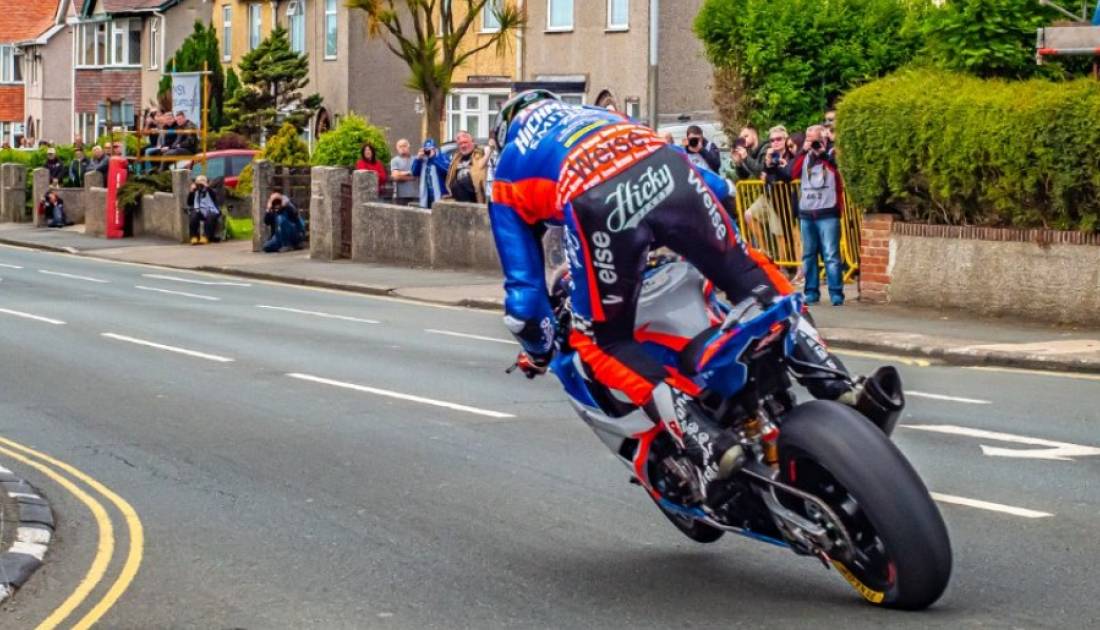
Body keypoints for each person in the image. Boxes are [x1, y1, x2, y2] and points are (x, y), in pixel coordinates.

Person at [489, 91, 862, 505]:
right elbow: (721, 189)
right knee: (747, 273)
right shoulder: (596, 115)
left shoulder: (507, 170)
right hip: (669, 169)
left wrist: (538, 352)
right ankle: (830, 374)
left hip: (598, 201)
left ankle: (701, 434)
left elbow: (524, 301)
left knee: (601, 341)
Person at [788, 125, 845, 306]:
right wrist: (803, 152)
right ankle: (811, 291)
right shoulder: (804, 157)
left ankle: (836, 293)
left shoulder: (831, 153)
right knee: (809, 255)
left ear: (824, 139)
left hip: (828, 211)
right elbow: (791, 173)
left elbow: (836, 170)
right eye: (808, 139)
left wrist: (822, 154)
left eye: (815, 140)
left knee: (831, 254)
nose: (812, 143)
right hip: (807, 212)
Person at [444, 131, 486, 204]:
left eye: (465, 142)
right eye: (460, 144)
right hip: (459, 198)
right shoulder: (455, 159)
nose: (463, 146)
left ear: (472, 142)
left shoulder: (481, 154)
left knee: (463, 182)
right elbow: (449, 177)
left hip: (476, 197)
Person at [411, 138, 449, 208]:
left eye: (430, 149)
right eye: (426, 149)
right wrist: (418, 160)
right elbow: (414, 173)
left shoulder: (442, 156)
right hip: (426, 196)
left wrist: (434, 158)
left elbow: (446, 171)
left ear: (435, 149)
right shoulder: (423, 159)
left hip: (441, 195)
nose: (428, 151)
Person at [186, 175, 220, 245]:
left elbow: (214, 197)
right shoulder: (195, 191)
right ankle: (194, 237)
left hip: (211, 210)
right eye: (198, 182)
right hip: (199, 210)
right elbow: (189, 203)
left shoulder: (211, 190)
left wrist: (207, 187)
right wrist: (191, 191)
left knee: (210, 216)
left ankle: (206, 237)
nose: (200, 185)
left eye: (202, 181)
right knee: (194, 215)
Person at [389, 139, 420, 205]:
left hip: (417, 195)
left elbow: (419, 174)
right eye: (400, 146)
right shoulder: (394, 160)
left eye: (404, 146)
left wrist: (401, 174)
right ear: (397, 148)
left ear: (408, 146)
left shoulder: (416, 159)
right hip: (401, 196)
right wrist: (409, 173)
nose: (402, 148)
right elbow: (395, 176)